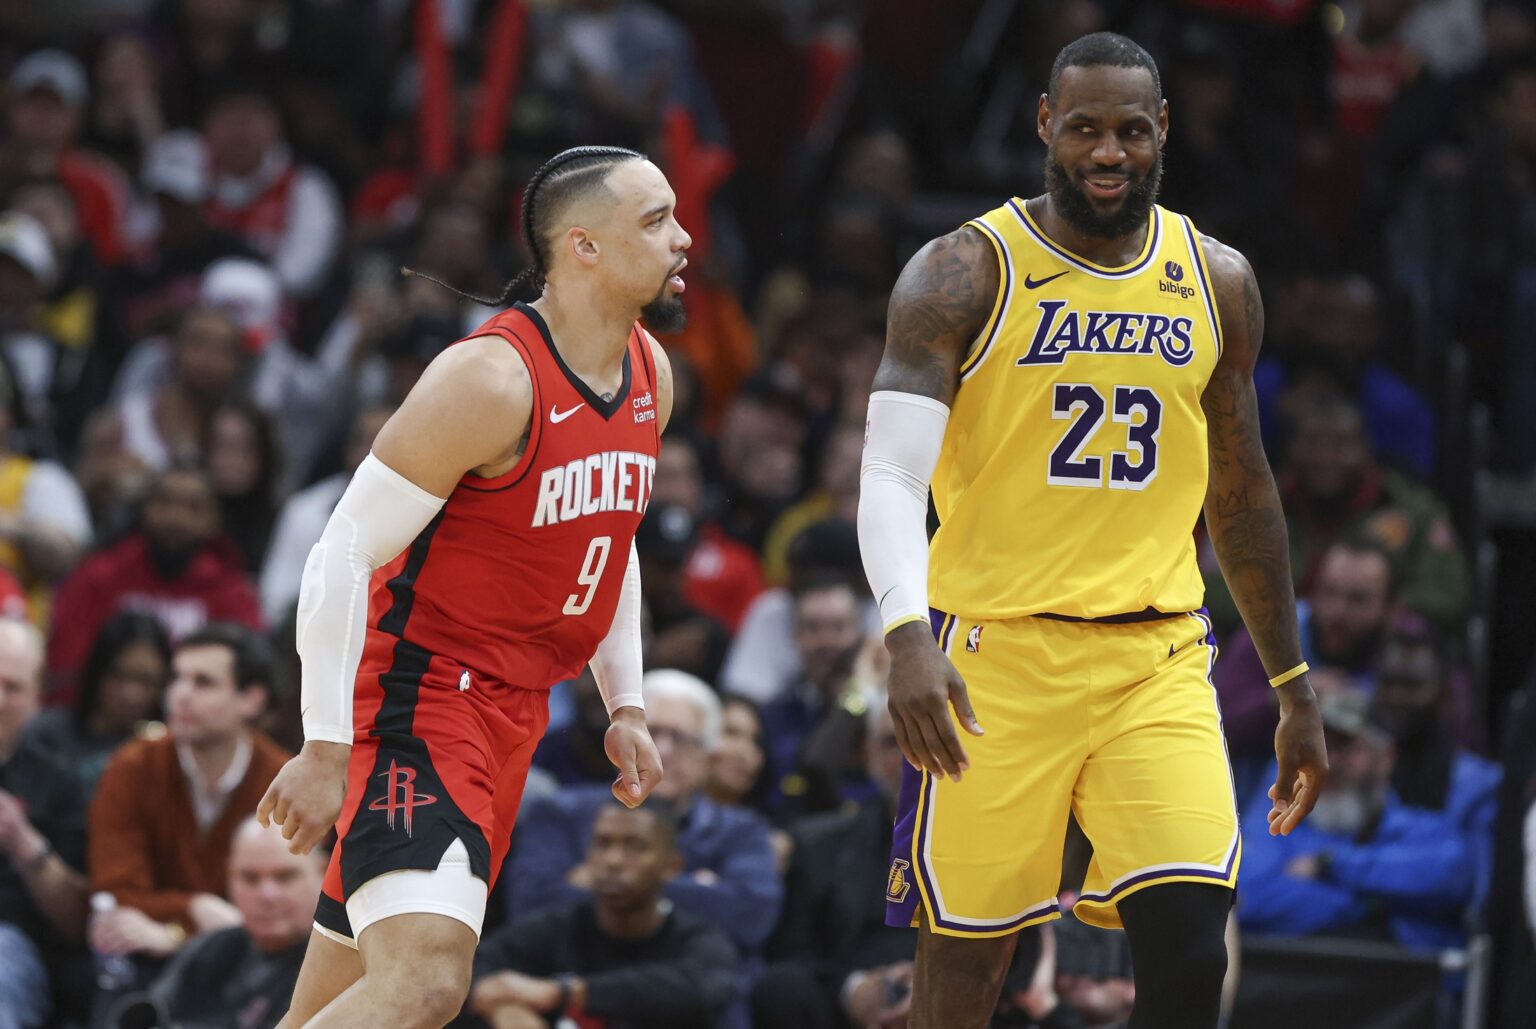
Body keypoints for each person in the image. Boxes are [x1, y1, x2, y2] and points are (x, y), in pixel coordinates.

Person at [856, 33, 1328, 1029]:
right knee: (960, 980)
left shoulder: (1217, 280)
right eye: (1083, 129)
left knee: (1194, 944)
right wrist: (905, 636)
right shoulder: (960, 271)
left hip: (1153, 660)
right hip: (993, 657)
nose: (1106, 152)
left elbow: (1241, 495)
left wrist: (1292, 685)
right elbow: (892, 474)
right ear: (1044, 126)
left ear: (1161, 129)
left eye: (1127, 130)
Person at [257, 146, 686, 1029]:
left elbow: (611, 537)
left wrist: (629, 702)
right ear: (584, 248)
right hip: (423, 699)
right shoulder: (490, 378)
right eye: (656, 220)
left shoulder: (650, 371)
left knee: (334, 1007)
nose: (684, 239)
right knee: (426, 981)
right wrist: (326, 745)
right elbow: (341, 550)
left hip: (516, 711)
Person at [509, 670, 782, 967]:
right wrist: (692, 885)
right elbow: (530, 907)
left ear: (708, 755)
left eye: (679, 738)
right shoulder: (561, 812)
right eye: (649, 733)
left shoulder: (742, 831)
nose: (661, 751)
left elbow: (750, 920)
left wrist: (602, 880)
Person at [88, 624, 289, 960]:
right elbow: (115, 894)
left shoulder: (283, 779)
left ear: (251, 699)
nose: (180, 694)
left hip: (255, 963)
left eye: (203, 682)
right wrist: (197, 909)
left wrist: (176, 933)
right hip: (143, 959)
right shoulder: (132, 767)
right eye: (176, 679)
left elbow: (291, 906)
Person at [1238, 688, 1489, 950]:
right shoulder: (1285, 825)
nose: (1329, 762)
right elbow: (1245, 899)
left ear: (1386, 757)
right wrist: (1372, 904)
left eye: (1345, 745)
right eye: (1320, 747)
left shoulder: (1415, 831)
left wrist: (1331, 865)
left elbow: (1453, 876)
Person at [470, 800, 740, 1029]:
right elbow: (472, 970)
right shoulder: (556, 926)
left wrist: (563, 993)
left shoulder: (699, 939)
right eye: (603, 843)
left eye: (634, 846)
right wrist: (503, 1010)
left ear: (671, 865)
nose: (613, 861)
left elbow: (701, 988)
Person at [47, 465, 263, 699]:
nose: (176, 518)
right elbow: (65, 670)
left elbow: (247, 678)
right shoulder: (98, 576)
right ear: (143, 509)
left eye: (194, 507)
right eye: (164, 502)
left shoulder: (231, 593)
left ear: (214, 520)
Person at [108, 819, 325, 1029]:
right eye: (250, 878)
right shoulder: (208, 949)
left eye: (285, 877)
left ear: (322, 872)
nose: (267, 894)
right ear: (230, 876)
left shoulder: (338, 964)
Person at [0, 618, 89, 1029]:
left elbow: (78, 920)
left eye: (12, 687)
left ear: (36, 697)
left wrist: (21, 840)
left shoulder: (61, 782)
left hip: (11, 944)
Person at [23, 610, 169, 800]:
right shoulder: (45, 736)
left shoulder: (162, 752)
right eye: (119, 675)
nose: (131, 694)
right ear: (98, 671)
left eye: (146, 680)